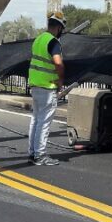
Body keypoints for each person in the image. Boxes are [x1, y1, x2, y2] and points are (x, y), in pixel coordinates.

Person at [27, 11, 66, 166]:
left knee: (35, 121)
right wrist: (60, 80)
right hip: (47, 87)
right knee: (44, 122)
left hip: (35, 86)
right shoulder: (53, 42)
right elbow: (58, 63)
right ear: (59, 27)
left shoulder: (38, 40)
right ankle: (40, 155)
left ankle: (32, 153)